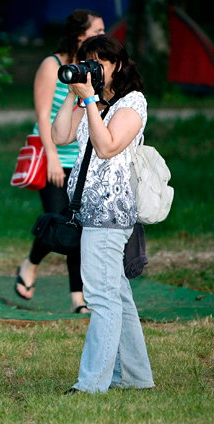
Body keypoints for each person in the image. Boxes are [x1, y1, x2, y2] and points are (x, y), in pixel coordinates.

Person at [51, 34, 155, 393]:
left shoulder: (132, 103)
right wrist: (73, 92)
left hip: (110, 212)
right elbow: (59, 134)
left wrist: (91, 101)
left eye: (100, 64)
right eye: (87, 62)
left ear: (119, 66)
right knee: (118, 294)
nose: (93, 69)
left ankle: (92, 384)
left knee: (100, 297)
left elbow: (108, 146)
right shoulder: (92, 101)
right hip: (89, 211)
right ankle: (136, 377)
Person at [15, 10, 105, 314]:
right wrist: (52, 158)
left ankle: (78, 299)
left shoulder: (92, 68)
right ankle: (29, 264)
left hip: (81, 159)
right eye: (98, 30)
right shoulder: (52, 65)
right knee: (57, 222)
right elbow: (43, 115)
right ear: (80, 35)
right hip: (52, 154)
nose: (103, 34)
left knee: (76, 226)